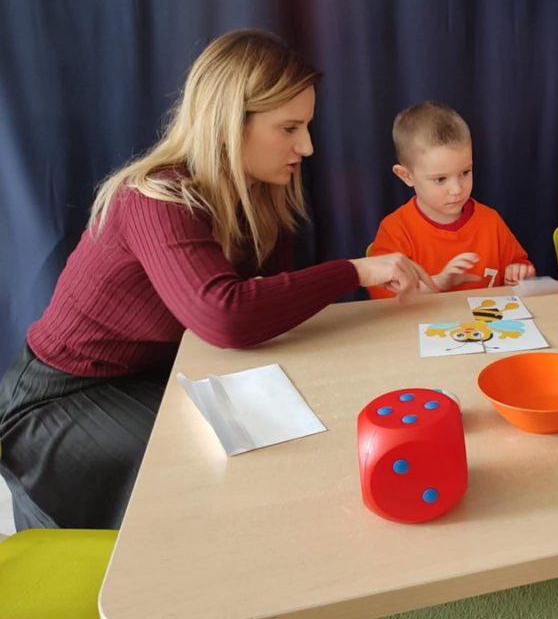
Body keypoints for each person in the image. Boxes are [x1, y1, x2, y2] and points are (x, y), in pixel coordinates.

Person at [0, 29, 436, 530]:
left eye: (307, 127)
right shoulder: (152, 197)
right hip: (59, 398)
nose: (307, 146)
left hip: (157, 378)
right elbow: (226, 317)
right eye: (289, 128)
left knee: (304, 431)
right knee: (210, 470)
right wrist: (353, 271)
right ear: (228, 122)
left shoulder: (260, 200)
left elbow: (265, 312)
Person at [368, 100, 535, 298]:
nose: (457, 189)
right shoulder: (396, 230)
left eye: (465, 172)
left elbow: (520, 265)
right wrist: (439, 283)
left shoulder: (491, 221)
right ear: (406, 176)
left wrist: (519, 273)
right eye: (440, 179)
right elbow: (384, 299)